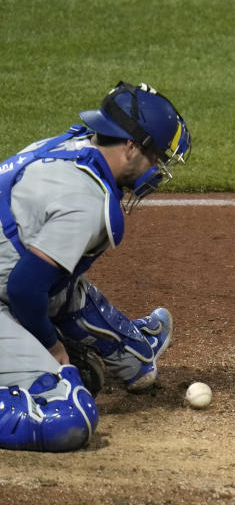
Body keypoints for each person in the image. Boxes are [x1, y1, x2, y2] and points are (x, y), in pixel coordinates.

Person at [0, 81, 191, 452]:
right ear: (131, 146)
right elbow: (25, 288)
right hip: (8, 289)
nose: (157, 171)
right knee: (69, 418)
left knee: (57, 279)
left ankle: (129, 353)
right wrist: (54, 347)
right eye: (156, 158)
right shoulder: (88, 203)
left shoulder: (64, 147)